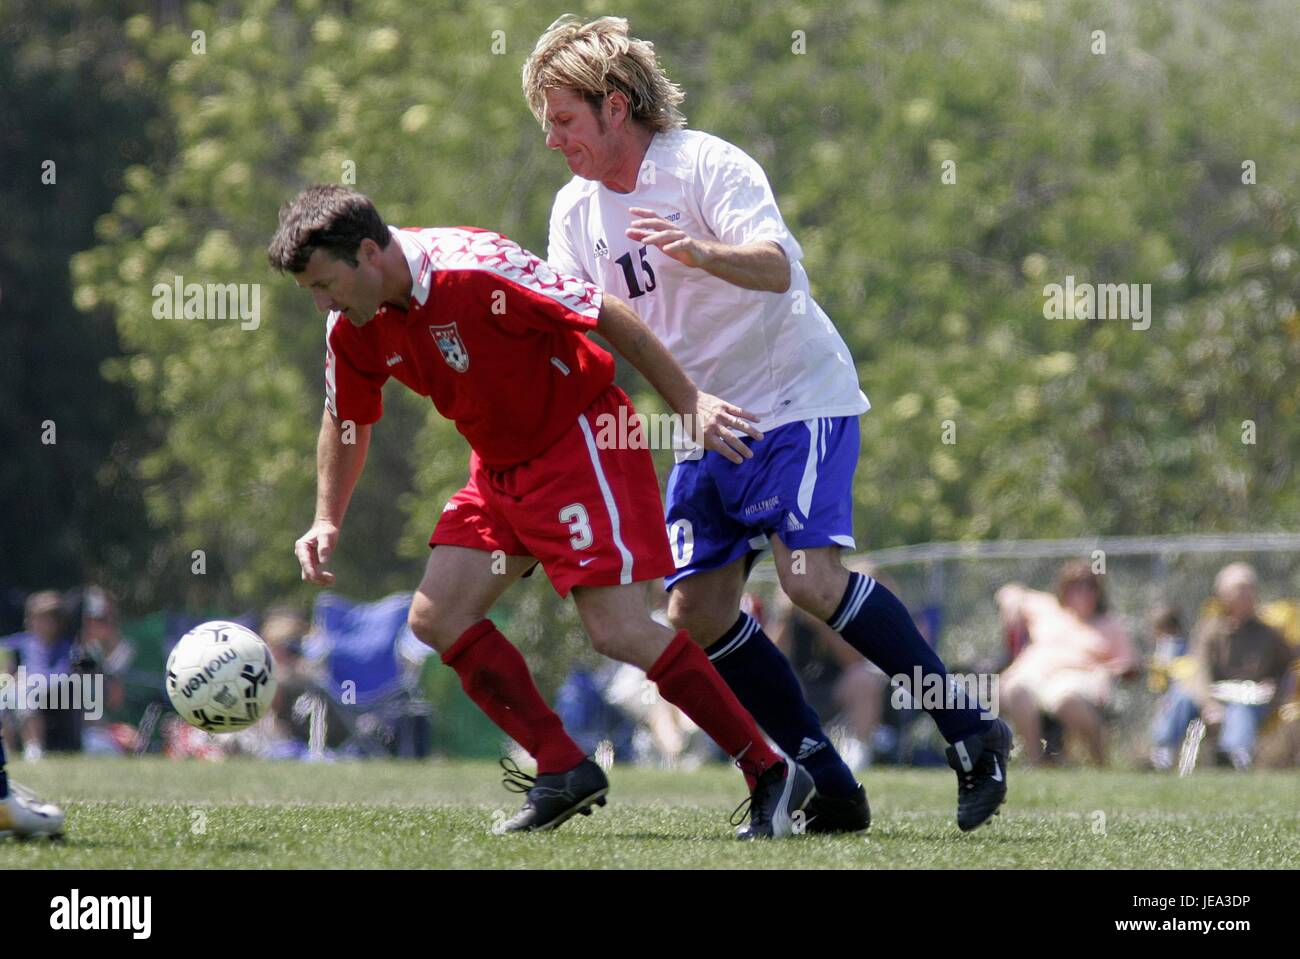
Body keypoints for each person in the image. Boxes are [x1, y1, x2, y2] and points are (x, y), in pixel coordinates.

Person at [523, 14, 1011, 831]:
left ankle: (970, 729)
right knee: (699, 613)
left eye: (564, 120)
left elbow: (782, 265)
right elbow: (585, 331)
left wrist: (703, 252)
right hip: (705, 417)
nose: (553, 141)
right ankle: (831, 786)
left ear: (615, 107)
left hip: (793, 397)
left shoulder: (706, 164)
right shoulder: (573, 212)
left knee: (809, 582)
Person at [268, 185, 813, 838]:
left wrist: (688, 401)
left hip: (579, 442)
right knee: (436, 616)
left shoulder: (476, 269)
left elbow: (606, 312)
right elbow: (346, 418)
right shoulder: (352, 326)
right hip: (498, 468)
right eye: (313, 292)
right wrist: (327, 516)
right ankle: (562, 765)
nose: (324, 303)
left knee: (616, 629)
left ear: (366, 252)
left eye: (327, 284)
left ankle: (771, 768)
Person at [1149, 563, 1296, 770]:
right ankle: (1162, 753)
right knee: (1181, 696)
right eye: (1239, 589)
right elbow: (1200, 671)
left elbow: (1289, 666)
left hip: (1249, 696)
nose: (1246, 595)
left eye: (1249, 589)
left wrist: (1278, 690)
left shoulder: (1268, 634)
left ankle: (1235, 758)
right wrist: (1209, 704)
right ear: (1223, 594)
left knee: (1241, 708)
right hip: (1213, 693)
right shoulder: (1209, 629)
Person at [998, 563, 1137, 766]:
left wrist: (1106, 673)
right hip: (1033, 673)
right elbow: (1009, 592)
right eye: (1074, 586)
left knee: (1066, 699)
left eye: (1088, 586)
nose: (1081, 592)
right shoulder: (1047, 607)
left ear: (1098, 591)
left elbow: (1129, 664)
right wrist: (1010, 607)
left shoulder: (1109, 624)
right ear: (1063, 588)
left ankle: (1100, 762)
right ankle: (1037, 763)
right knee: (1017, 690)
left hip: (1078, 676)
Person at [0, 592, 67, 838]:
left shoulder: (64, 648)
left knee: (23, 691)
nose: (45, 624)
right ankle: (8, 750)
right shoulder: (21, 643)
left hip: (53, 698)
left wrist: (29, 681)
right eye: (41, 618)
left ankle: (33, 746)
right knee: (8, 693)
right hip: (18, 691)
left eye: (50, 618)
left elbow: (63, 676)